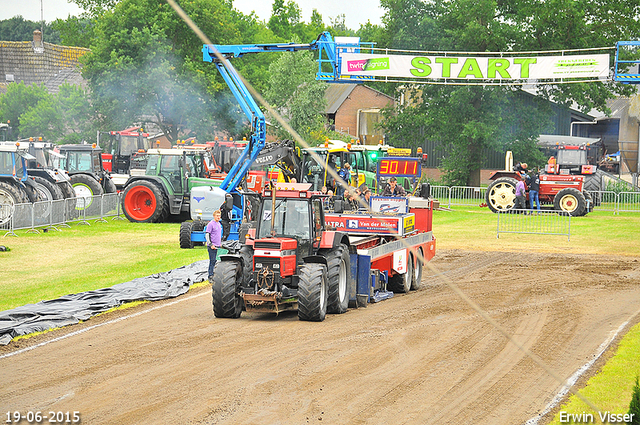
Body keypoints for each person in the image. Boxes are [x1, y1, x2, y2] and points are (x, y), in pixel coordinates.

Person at [205, 209, 223, 278]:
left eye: (219, 216)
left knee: (216, 261)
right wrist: (211, 244)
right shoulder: (210, 224)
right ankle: (210, 275)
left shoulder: (219, 224)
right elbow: (207, 235)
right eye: (217, 216)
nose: (218, 217)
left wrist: (220, 243)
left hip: (218, 246)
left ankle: (214, 273)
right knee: (212, 261)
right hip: (212, 246)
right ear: (214, 216)